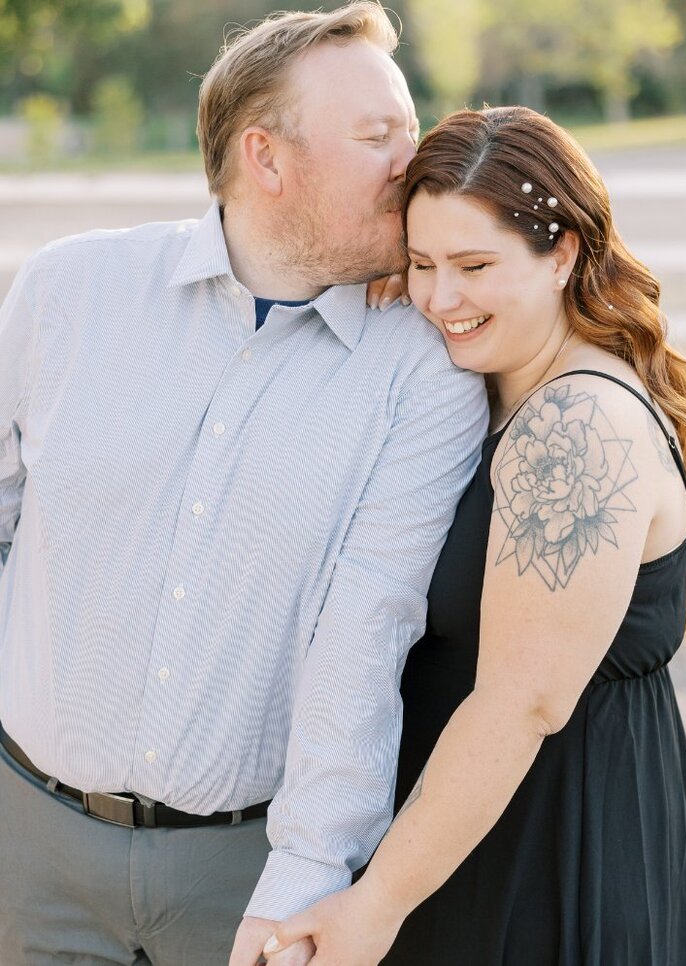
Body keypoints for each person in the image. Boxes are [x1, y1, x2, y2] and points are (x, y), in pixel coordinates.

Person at [0, 5, 488, 965]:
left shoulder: (425, 369)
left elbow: (368, 629)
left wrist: (306, 880)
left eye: (413, 128)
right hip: (27, 846)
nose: (416, 158)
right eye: (378, 134)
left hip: (244, 875)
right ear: (268, 159)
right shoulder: (68, 292)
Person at [261, 106, 686, 966]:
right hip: (476, 832)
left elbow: (524, 702)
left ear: (564, 255)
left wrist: (376, 904)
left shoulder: (576, 424)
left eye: (476, 265)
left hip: (550, 848)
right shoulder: (504, 379)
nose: (442, 298)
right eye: (423, 263)